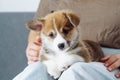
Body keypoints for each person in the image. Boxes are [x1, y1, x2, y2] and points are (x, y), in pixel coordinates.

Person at [13, 0, 120, 80]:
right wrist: (34, 47)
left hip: (107, 61)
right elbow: (37, 31)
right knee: (36, 69)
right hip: (58, 55)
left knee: (76, 71)